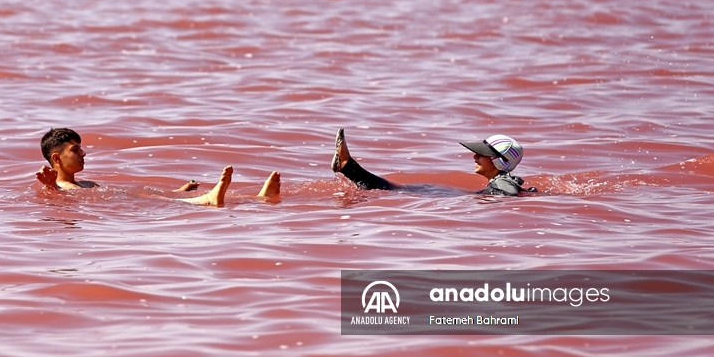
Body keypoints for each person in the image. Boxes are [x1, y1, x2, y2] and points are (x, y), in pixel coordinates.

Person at [37, 127, 280, 206]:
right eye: (75, 150)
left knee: (151, 195)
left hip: (130, 201)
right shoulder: (60, 188)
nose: (83, 153)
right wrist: (51, 189)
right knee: (153, 202)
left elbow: (135, 194)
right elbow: (60, 205)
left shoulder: (87, 184)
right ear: (57, 159)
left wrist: (177, 191)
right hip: (126, 210)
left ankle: (257, 200)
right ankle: (208, 200)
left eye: (81, 148)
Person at [330, 128, 533, 196]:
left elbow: (509, 192)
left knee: (394, 189)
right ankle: (347, 166)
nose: (474, 157)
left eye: (481, 154)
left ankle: (347, 166)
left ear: (499, 162)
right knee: (399, 188)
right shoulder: (502, 180)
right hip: (456, 196)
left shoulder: (504, 182)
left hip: (454, 199)